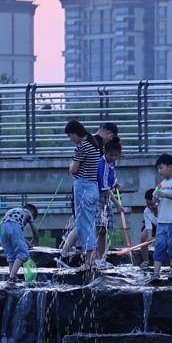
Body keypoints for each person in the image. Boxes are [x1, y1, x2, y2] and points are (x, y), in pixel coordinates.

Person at [64, 119, 104, 277]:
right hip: (92, 187)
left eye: (69, 135)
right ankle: (90, 261)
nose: (70, 139)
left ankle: (89, 262)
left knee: (84, 225)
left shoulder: (82, 147)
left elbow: (73, 170)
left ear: (75, 133)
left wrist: (70, 166)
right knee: (89, 224)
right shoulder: (94, 144)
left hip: (83, 187)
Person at [145, 154, 172, 280]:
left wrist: (163, 194)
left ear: (170, 167)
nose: (159, 171)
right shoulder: (160, 184)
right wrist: (156, 199)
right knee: (160, 246)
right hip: (162, 220)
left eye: (161, 168)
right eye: (158, 168)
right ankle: (156, 273)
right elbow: (156, 201)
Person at [0, 200, 38, 283]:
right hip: (14, 226)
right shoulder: (28, 212)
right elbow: (34, 231)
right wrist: (35, 238)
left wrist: (27, 243)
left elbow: (17, 235)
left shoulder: (14, 211)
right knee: (23, 253)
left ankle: (12, 276)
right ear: (32, 213)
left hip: (2, 227)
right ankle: (12, 277)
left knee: (11, 254)